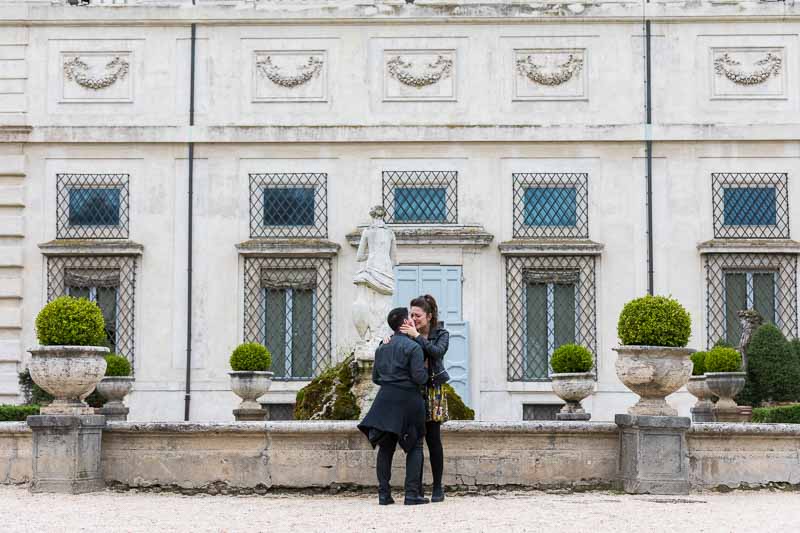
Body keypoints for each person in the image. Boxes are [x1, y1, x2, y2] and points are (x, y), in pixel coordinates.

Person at [357, 307, 429, 506]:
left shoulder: (382, 347)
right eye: (411, 318)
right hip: (408, 400)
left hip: (385, 400)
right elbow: (420, 378)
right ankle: (412, 495)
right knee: (415, 446)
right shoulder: (414, 347)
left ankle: (384, 494)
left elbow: (376, 378)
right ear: (406, 322)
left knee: (386, 447)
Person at [400, 294, 450, 503]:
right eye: (411, 314)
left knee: (433, 439)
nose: (414, 318)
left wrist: (416, 336)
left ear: (429, 316)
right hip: (413, 391)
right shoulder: (407, 333)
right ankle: (416, 489)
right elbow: (396, 349)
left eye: (417, 315)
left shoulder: (442, 333)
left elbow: (437, 353)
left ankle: (438, 487)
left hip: (433, 390)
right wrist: (385, 340)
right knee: (415, 439)